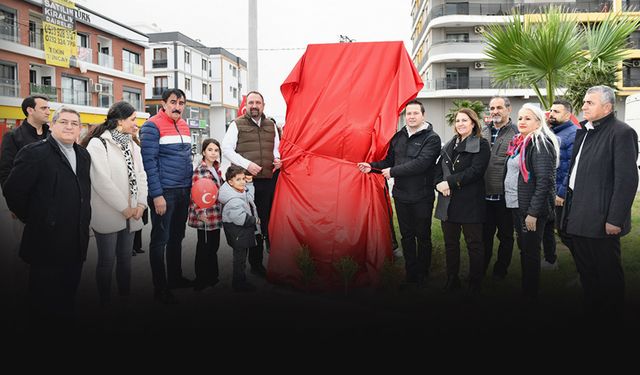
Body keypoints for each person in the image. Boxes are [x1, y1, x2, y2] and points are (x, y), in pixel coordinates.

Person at [3, 106, 91, 329]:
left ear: (80, 129)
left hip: (76, 240)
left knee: (67, 294)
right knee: (42, 301)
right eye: (64, 122)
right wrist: (35, 218)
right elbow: (13, 191)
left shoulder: (83, 155)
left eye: (74, 123)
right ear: (51, 125)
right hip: (46, 243)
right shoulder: (35, 153)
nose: (69, 127)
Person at [563, 85, 638, 315]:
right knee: (587, 272)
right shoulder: (585, 131)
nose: (583, 105)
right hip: (579, 215)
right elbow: (575, 170)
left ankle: (613, 318)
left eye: (589, 102)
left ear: (607, 107)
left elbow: (626, 181)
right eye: (584, 102)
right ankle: (593, 312)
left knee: (608, 274)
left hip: (602, 219)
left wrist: (615, 219)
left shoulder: (621, 132)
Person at [358, 100, 441, 287]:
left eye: (415, 113)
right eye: (408, 113)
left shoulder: (432, 138)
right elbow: (389, 161)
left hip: (422, 196)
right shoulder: (398, 136)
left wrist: (393, 172)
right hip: (401, 195)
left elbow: (421, 163)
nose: (411, 117)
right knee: (407, 235)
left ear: (423, 115)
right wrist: (371, 167)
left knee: (423, 235)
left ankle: (423, 272)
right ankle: (411, 273)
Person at [81, 101, 148, 307]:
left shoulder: (132, 144)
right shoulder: (98, 143)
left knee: (126, 259)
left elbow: (141, 175)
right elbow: (101, 180)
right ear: (120, 121)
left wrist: (141, 205)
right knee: (107, 261)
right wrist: (124, 207)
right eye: (132, 119)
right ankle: (105, 302)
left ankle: (124, 298)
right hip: (109, 212)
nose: (135, 124)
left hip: (132, 213)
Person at [0, 95, 50, 321]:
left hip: (52, 207)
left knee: (49, 254)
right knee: (24, 254)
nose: (48, 111)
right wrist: (15, 205)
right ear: (30, 110)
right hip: (25, 208)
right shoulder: (14, 136)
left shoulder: (52, 134)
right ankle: (21, 302)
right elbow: (6, 174)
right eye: (44, 107)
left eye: (49, 107)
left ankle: (44, 297)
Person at [140, 88, 193, 304]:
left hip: (184, 190)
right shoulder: (151, 126)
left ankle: (175, 278)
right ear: (163, 103)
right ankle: (160, 287)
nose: (177, 107)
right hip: (164, 193)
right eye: (173, 102)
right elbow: (149, 164)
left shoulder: (184, 125)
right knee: (160, 240)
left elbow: (187, 160)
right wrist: (157, 195)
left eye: (181, 103)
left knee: (177, 237)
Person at [221, 91, 280, 277]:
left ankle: (257, 264)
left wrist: (278, 160)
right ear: (246, 104)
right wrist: (247, 165)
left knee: (263, 222)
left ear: (263, 105)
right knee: (248, 223)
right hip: (246, 183)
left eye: (258, 102)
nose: (254, 105)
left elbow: (276, 149)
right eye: (251, 102)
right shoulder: (236, 124)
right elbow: (226, 148)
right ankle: (242, 268)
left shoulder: (271, 125)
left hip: (268, 181)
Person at [503, 103, 558, 300]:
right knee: (524, 249)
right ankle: (528, 289)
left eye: (528, 118)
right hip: (516, 204)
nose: (522, 122)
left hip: (530, 209)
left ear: (538, 122)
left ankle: (530, 294)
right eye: (520, 118)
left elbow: (545, 181)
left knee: (530, 251)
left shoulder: (540, 143)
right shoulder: (520, 142)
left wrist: (533, 213)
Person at [434, 108, 490, 294]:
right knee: (451, 243)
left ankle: (475, 281)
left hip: (470, 203)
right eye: (457, 120)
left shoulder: (481, 144)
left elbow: (476, 172)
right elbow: (437, 171)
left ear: (473, 123)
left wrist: (448, 182)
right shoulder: (449, 145)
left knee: (474, 244)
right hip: (448, 202)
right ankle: (452, 278)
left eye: (464, 120)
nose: (460, 124)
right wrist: (438, 185)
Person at [482, 96, 518, 279]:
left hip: (504, 197)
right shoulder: (483, 131)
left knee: (505, 237)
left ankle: (500, 270)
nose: (495, 111)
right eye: (492, 108)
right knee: (484, 236)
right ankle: (481, 268)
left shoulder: (517, 133)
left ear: (508, 109)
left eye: (499, 107)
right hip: (483, 196)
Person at [541, 99, 577, 269]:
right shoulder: (552, 132)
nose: (551, 114)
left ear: (568, 115)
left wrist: (561, 193)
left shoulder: (573, 134)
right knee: (548, 227)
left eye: (556, 112)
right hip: (548, 191)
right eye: (551, 111)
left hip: (561, 193)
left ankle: (585, 269)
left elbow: (571, 166)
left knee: (565, 232)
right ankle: (551, 260)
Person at [188, 138, 224, 291]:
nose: (213, 153)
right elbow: (195, 191)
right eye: (210, 150)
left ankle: (212, 276)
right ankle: (201, 279)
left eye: (216, 150)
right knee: (204, 247)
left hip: (215, 213)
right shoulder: (201, 170)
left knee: (213, 246)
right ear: (203, 152)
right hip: (205, 214)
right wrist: (199, 211)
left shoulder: (216, 168)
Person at [218, 165, 260, 292]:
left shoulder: (240, 190)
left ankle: (240, 279)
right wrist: (255, 220)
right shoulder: (233, 200)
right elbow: (240, 219)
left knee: (241, 257)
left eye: (243, 179)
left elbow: (249, 197)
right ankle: (239, 282)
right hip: (238, 233)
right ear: (230, 182)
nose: (242, 182)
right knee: (240, 260)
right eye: (238, 179)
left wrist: (250, 184)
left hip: (241, 233)